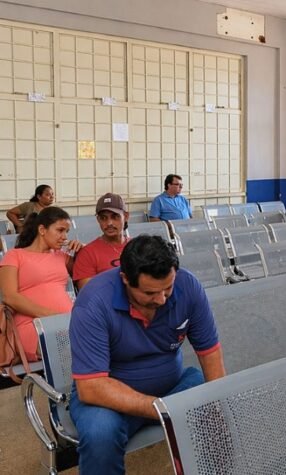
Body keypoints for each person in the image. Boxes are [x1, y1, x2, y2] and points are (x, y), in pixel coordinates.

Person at [68, 235, 226, 474]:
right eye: (150, 293)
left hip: (173, 388)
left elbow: (210, 352)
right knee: (100, 435)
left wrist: (218, 402)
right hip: (110, 400)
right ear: (125, 279)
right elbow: (91, 386)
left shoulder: (188, 287)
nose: (161, 299)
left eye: (168, 289)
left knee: (216, 407)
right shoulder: (94, 303)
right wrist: (161, 409)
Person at [0, 207, 83, 361]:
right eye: (60, 230)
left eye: (67, 232)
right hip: (33, 326)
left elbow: (86, 274)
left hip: (66, 324)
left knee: (98, 338)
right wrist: (54, 317)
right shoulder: (15, 255)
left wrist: (82, 251)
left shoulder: (62, 256)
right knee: (75, 348)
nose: (64, 237)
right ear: (42, 230)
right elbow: (9, 297)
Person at [72, 193, 130, 290]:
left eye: (115, 216)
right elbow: (88, 295)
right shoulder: (87, 253)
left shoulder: (138, 247)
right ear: (98, 220)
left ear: (126, 216)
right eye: (103, 218)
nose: (109, 223)